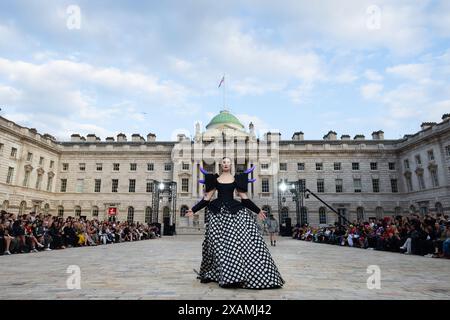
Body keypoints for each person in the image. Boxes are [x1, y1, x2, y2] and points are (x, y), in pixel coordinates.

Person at [186, 157, 285, 289]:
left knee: (236, 245)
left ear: (231, 165)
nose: (226, 164)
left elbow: (244, 199)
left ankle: (236, 275)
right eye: (224, 162)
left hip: (234, 213)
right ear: (221, 165)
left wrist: (257, 210)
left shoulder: (237, 180)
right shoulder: (214, 180)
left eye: (228, 162)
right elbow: (206, 199)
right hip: (217, 215)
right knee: (217, 246)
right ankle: (223, 273)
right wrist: (193, 209)